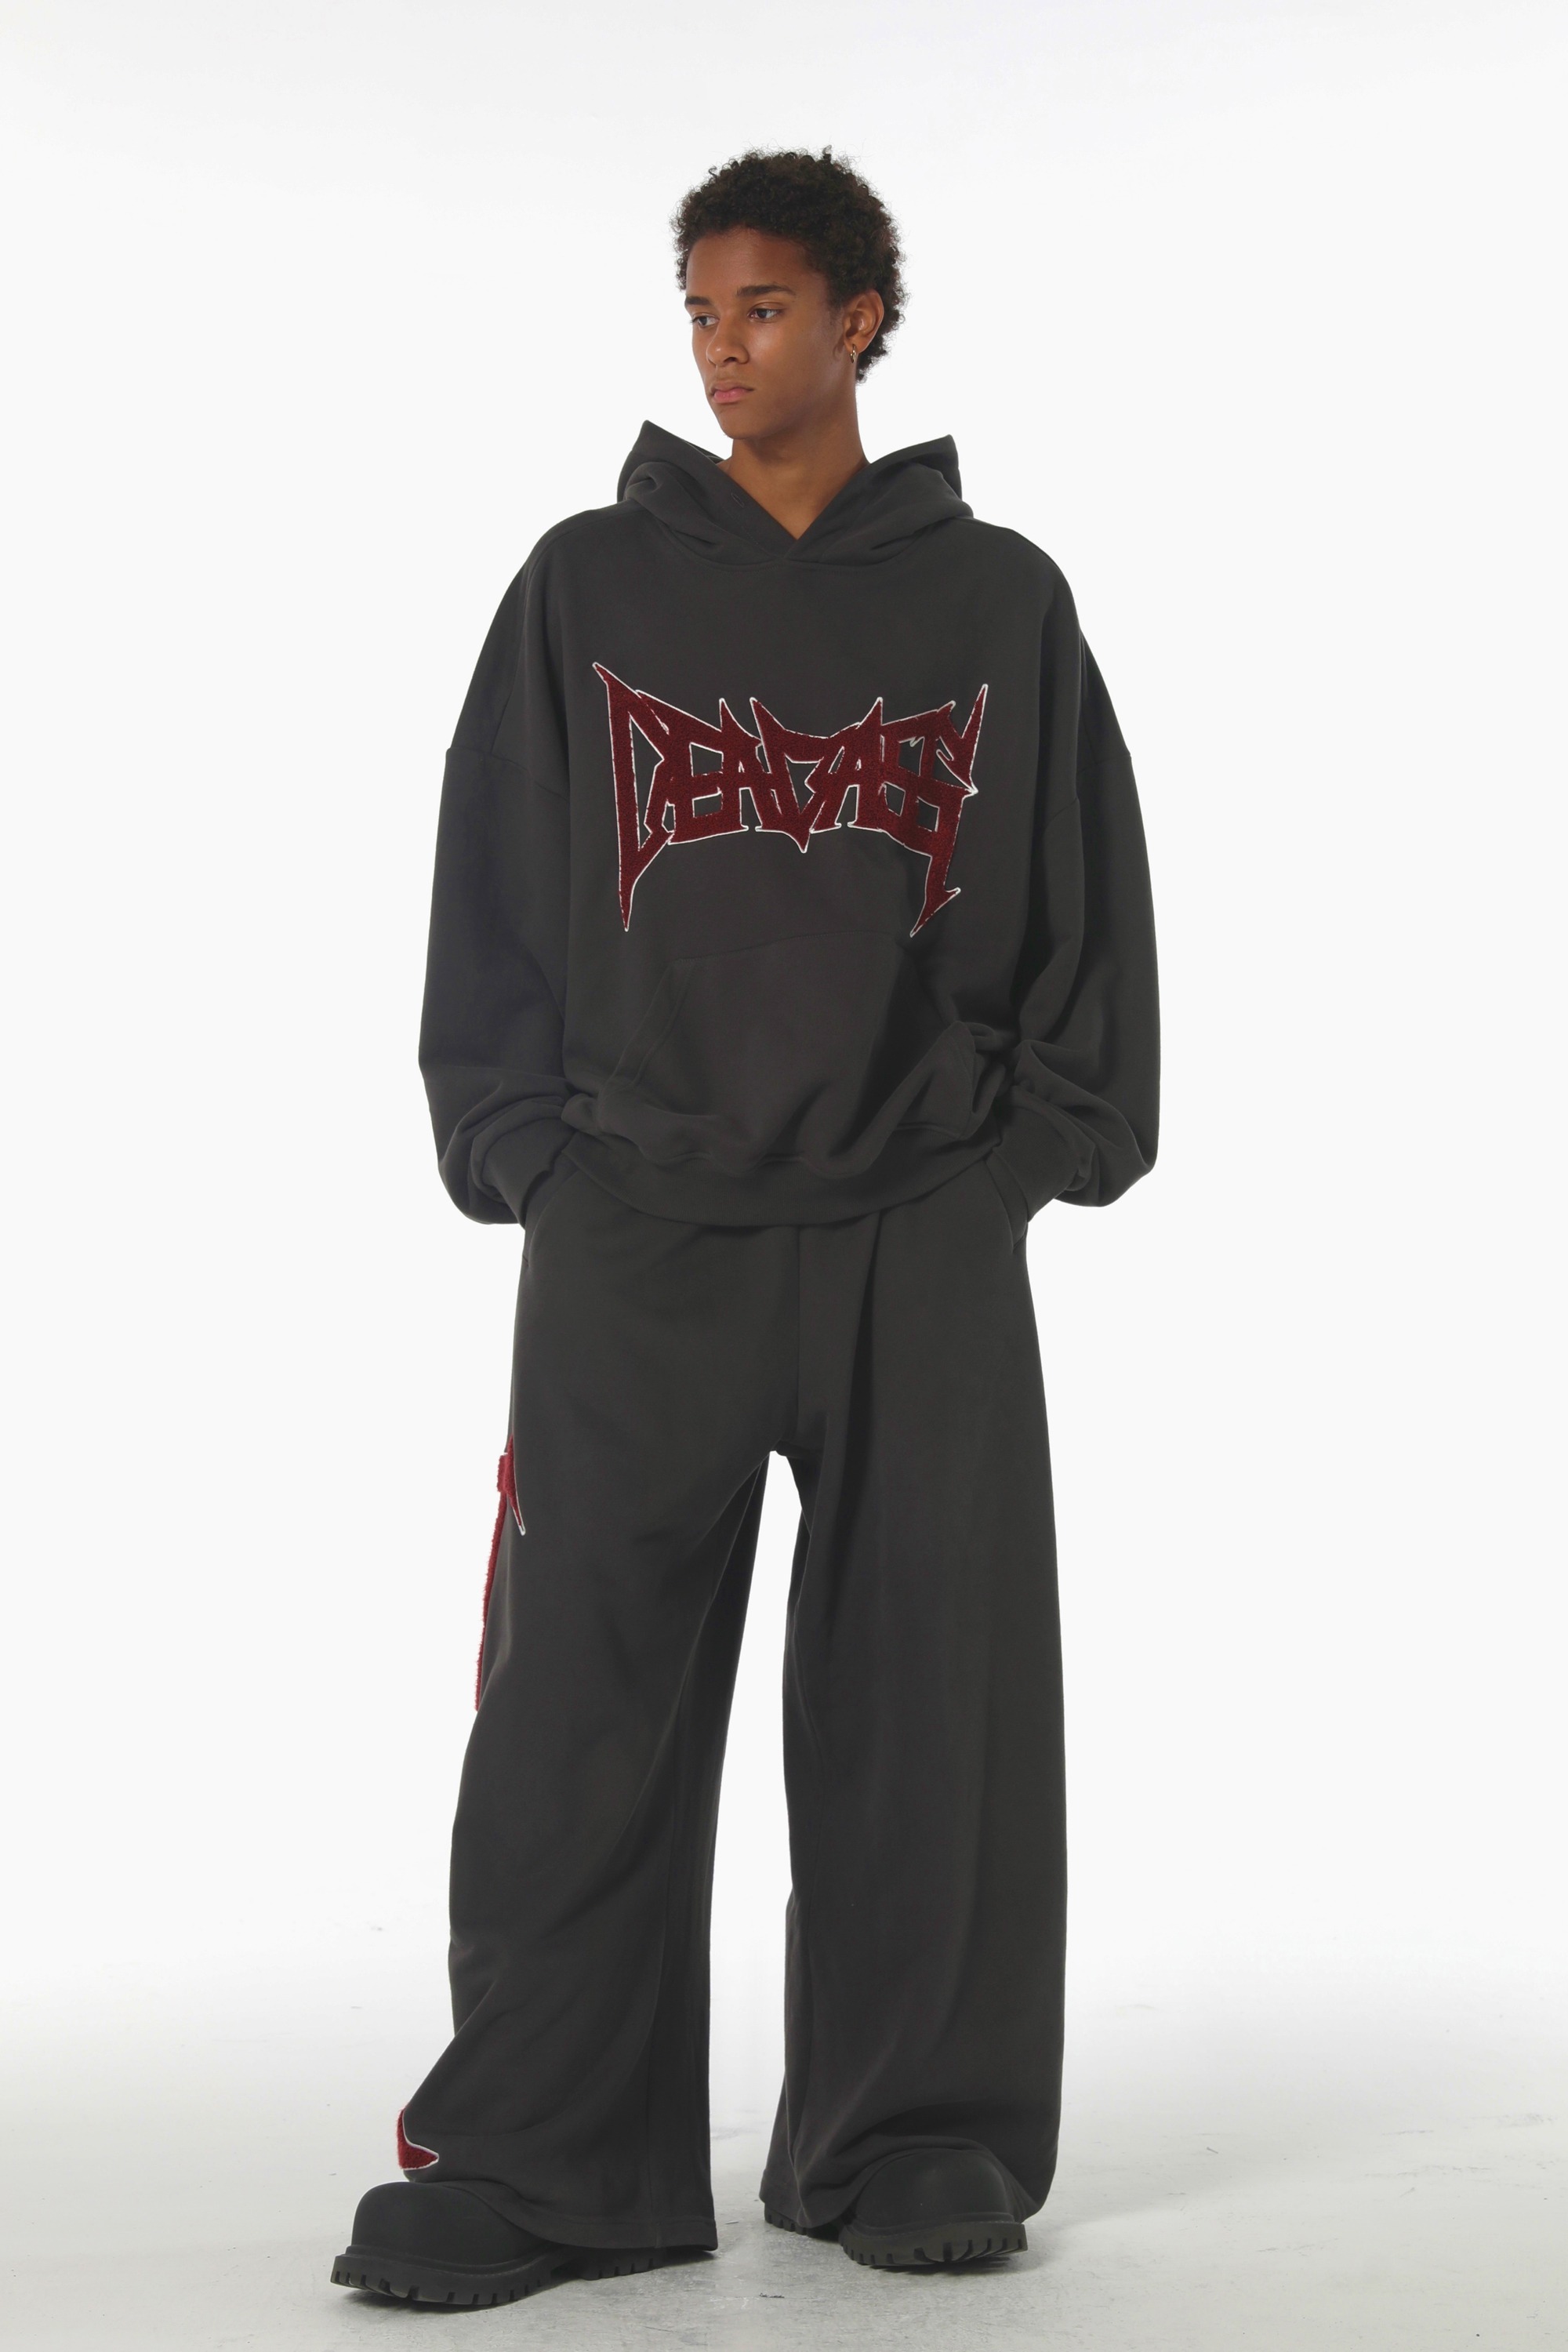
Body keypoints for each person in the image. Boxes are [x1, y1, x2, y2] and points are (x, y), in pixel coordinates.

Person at [332, 144, 1159, 2310]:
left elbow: (1088, 910)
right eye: (699, 310)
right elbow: (493, 876)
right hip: (639, 1228)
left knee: (932, 1703)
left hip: (920, 1228)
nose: (722, 348)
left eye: (765, 307)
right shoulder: (589, 585)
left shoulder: (999, 603)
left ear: (862, 318)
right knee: (574, 1712)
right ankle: (542, 2157)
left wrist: (1012, 1171)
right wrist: (529, 1149)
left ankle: (910, 2132)